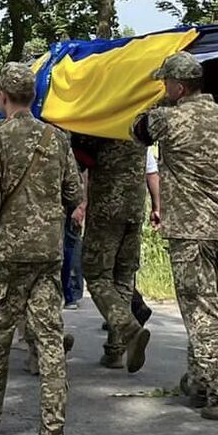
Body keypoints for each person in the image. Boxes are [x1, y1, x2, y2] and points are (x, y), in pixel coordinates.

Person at [0, 64, 83, 435]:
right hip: (46, 254)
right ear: (34, 96)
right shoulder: (56, 139)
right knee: (49, 342)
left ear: (2, 97)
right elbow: (74, 192)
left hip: (6, 256)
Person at [133, 52, 218, 422]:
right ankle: (202, 382)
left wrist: (159, 102)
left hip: (192, 230)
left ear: (178, 87)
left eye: (165, 82)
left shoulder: (168, 119)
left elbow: (136, 128)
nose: (163, 88)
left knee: (201, 314)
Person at [75, 135, 151, 371]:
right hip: (135, 207)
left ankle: (127, 328)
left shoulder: (102, 120)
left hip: (107, 207)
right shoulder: (139, 119)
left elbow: (79, 159)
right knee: (124, 276)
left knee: (96, 273)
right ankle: (115, 350)